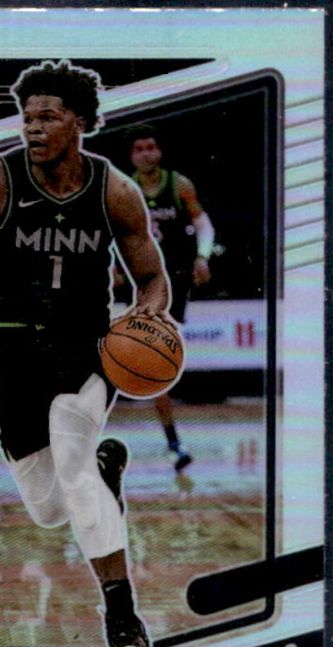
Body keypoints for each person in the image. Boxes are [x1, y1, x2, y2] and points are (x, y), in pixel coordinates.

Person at [0, 60, 174, 647]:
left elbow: (152, 275)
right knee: (50, 510)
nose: (33, 127)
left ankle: (123, 620)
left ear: (79, 122)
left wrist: (149, 313)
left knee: (74, 470)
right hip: (9, 353)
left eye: (48, 117)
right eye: (27, 117)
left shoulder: (113, 189)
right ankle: (104, 473)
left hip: (84, 349)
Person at [129, 124, 215, 471]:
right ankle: (174, 442)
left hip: (176, 279)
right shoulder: (125, 189)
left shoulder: (179, 185)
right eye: (139, 149)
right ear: (132, 156)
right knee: (154, 359)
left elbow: (203, 223)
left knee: (158, 360)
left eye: (151, 147)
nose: (146, 153)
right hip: (143, 281)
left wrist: (203, 256)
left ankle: (173, 440)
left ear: (160, 152)